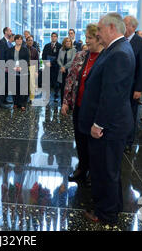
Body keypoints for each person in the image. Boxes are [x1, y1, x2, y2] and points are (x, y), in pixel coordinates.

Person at [78, 13, 135, 225]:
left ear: (111, 28)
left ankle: (106, 214)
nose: (98, 33)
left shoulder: (119, 53)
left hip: (109, 126)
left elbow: (112, 94)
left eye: (100, 30)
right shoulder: (114, 49)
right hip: (112, 123)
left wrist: (98, 124)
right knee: (108, 169)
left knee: (105, 170)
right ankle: (113, 206)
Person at [61, 23, 102, 186]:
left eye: (90, 38)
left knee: (93, 143)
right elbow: (70, 79)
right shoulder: (80, 55)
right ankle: (82, 167)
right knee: (79, 139)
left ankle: (93, 171)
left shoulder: (106, 57)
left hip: (95, 109)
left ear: (99, 39)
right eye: (86, 38)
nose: (87, 41)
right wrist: (65, 101)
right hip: (78, 105)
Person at [123, 16, 142, 153]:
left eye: (124, 24)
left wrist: (139, 88)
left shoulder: (141, 43)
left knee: (130, 114)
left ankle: (128, 142)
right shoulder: (120, 40)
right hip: (119, 86)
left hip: (132, 86)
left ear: (132, 26)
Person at [6, 35, 30, 111]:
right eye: (17, 39)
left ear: (22, 41)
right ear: (15, 40)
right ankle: (15, 103)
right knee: (14, 88)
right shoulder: (10, 50)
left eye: (20, 39)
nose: (19, 41)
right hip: (13, 71)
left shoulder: (25, 50)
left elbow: (27, 60)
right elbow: (8, 60)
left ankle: (23, 104)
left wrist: (21, 67)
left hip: (23, 70)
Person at [42, 32, 62, 102]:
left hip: (55, 67)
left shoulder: (60, 46)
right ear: (51, 37)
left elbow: (59, 57)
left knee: (56, 83)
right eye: (52, 36)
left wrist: (52, 63)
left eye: (55, 36)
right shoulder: (46, 45)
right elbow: (43, 55)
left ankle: (56, 96)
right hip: (47, 67)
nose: (53, 37)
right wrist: (46, 62)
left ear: (57, 37)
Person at [0, 27, 14, 108]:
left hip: (9, 67)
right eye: (10, 30)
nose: (11, 32)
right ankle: (0, 102)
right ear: (6, 32)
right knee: (2, 85)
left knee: (7, 84)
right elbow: (0, 56)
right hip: (3, 67)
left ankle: (5, 99)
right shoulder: (1, 42)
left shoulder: (9, 42)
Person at [57, 37, 77, 104]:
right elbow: (58, 60)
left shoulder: (73, 50)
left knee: (69, 88)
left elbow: (72, 61)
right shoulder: (61, 50)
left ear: (71, 43)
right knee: (62, 88)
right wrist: (62, 67)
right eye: (66, 41)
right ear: (64, 43)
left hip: (69, 71)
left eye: (69, 41)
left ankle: (68, 104)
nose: (68, 42)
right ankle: (62, 103)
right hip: (62, 72)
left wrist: (64, 67)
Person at [27, 35, 39, 103]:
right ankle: (25, 98)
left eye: (31, 40)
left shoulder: (35, 50)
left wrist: (36, 71)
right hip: (24, 67)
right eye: (29, 40)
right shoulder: (23, 49)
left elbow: (37, 61)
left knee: (32, 84)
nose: (30, 41)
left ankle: (31, 98)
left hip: (32, 68)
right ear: (26, 41)